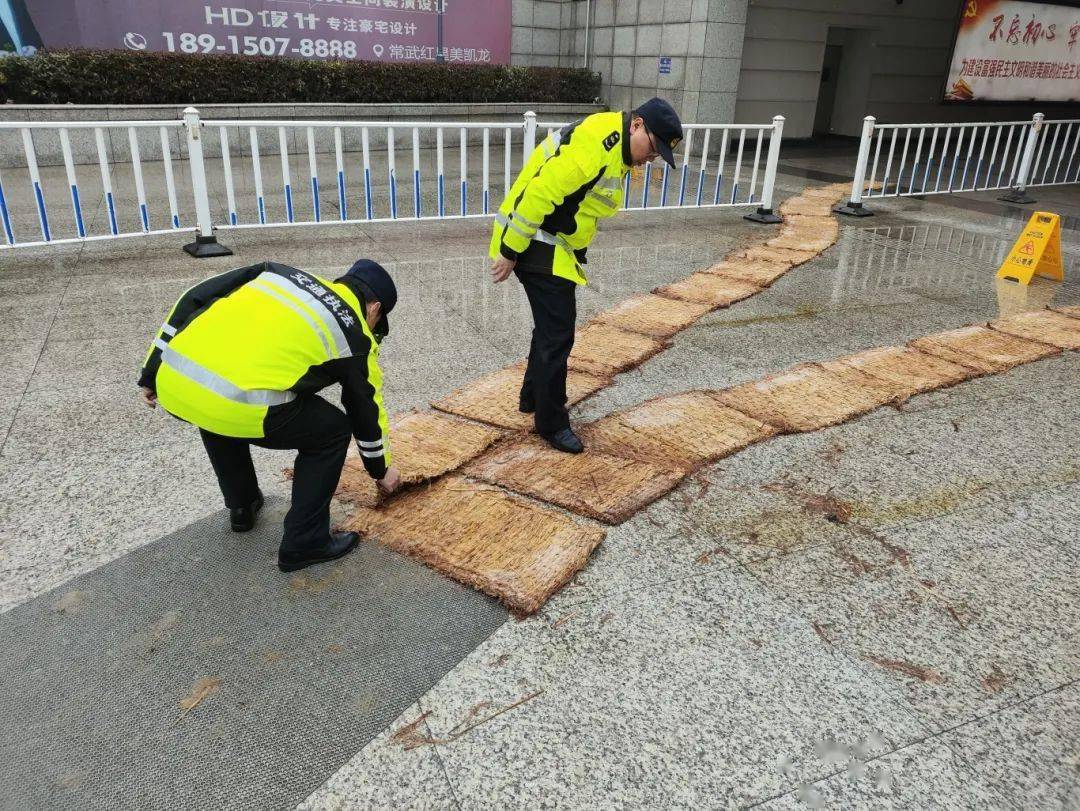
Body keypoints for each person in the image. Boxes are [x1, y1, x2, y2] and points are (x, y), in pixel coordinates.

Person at [138, 259, 401, 572]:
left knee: (224, 396)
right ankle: (305, 542)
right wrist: (380, 470)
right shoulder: (354, 335)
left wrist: (152, 369)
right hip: (232, 403)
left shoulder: (276, 273)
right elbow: (365, 409)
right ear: (375, 308)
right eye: (378, 325)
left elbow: (192, 297)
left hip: (176, 383)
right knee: (332, 431)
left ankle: (242, 505)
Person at [489, 98, 683, 453]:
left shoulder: (620, 146)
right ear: (637, 125)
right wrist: (510, 250)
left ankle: (532, 398)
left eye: (655, 158)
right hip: (531, 237)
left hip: (552, 241)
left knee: (551, 327)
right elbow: (541, 192)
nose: (648, 159)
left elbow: (580, 203)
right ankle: (551, 423)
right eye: (651, 149)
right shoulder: (598, 142)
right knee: (558, 331)